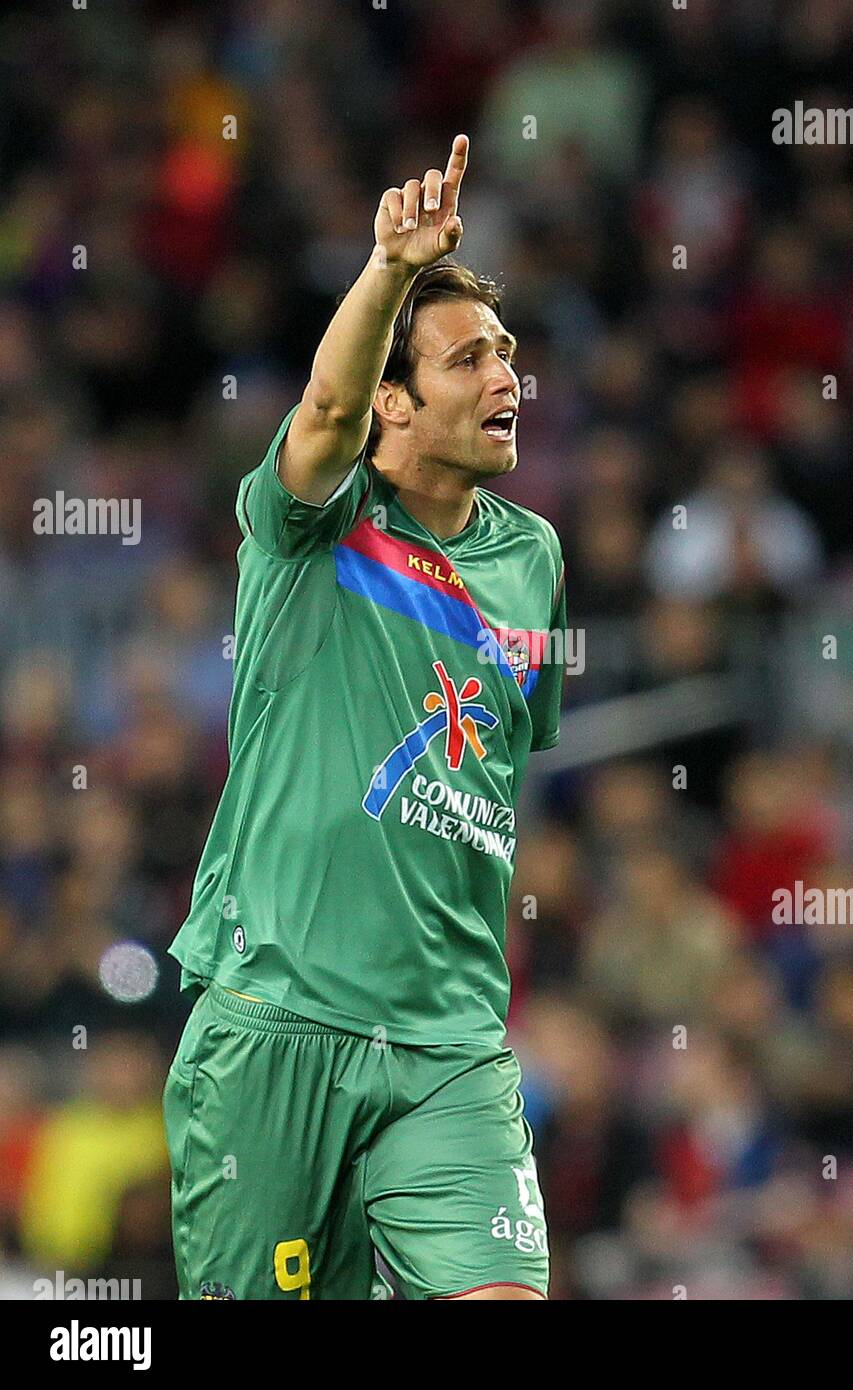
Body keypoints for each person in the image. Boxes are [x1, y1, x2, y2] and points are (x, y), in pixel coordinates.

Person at [164, 135, 566, 1300]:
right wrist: (390, 269)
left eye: (506, 354)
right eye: (467, 361)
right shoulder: (313, 524)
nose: (505, 379)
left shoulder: (530, 556)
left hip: (450, 1046)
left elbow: (488, 773)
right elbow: (326, 408)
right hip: (276, 1022)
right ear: (394, 403)